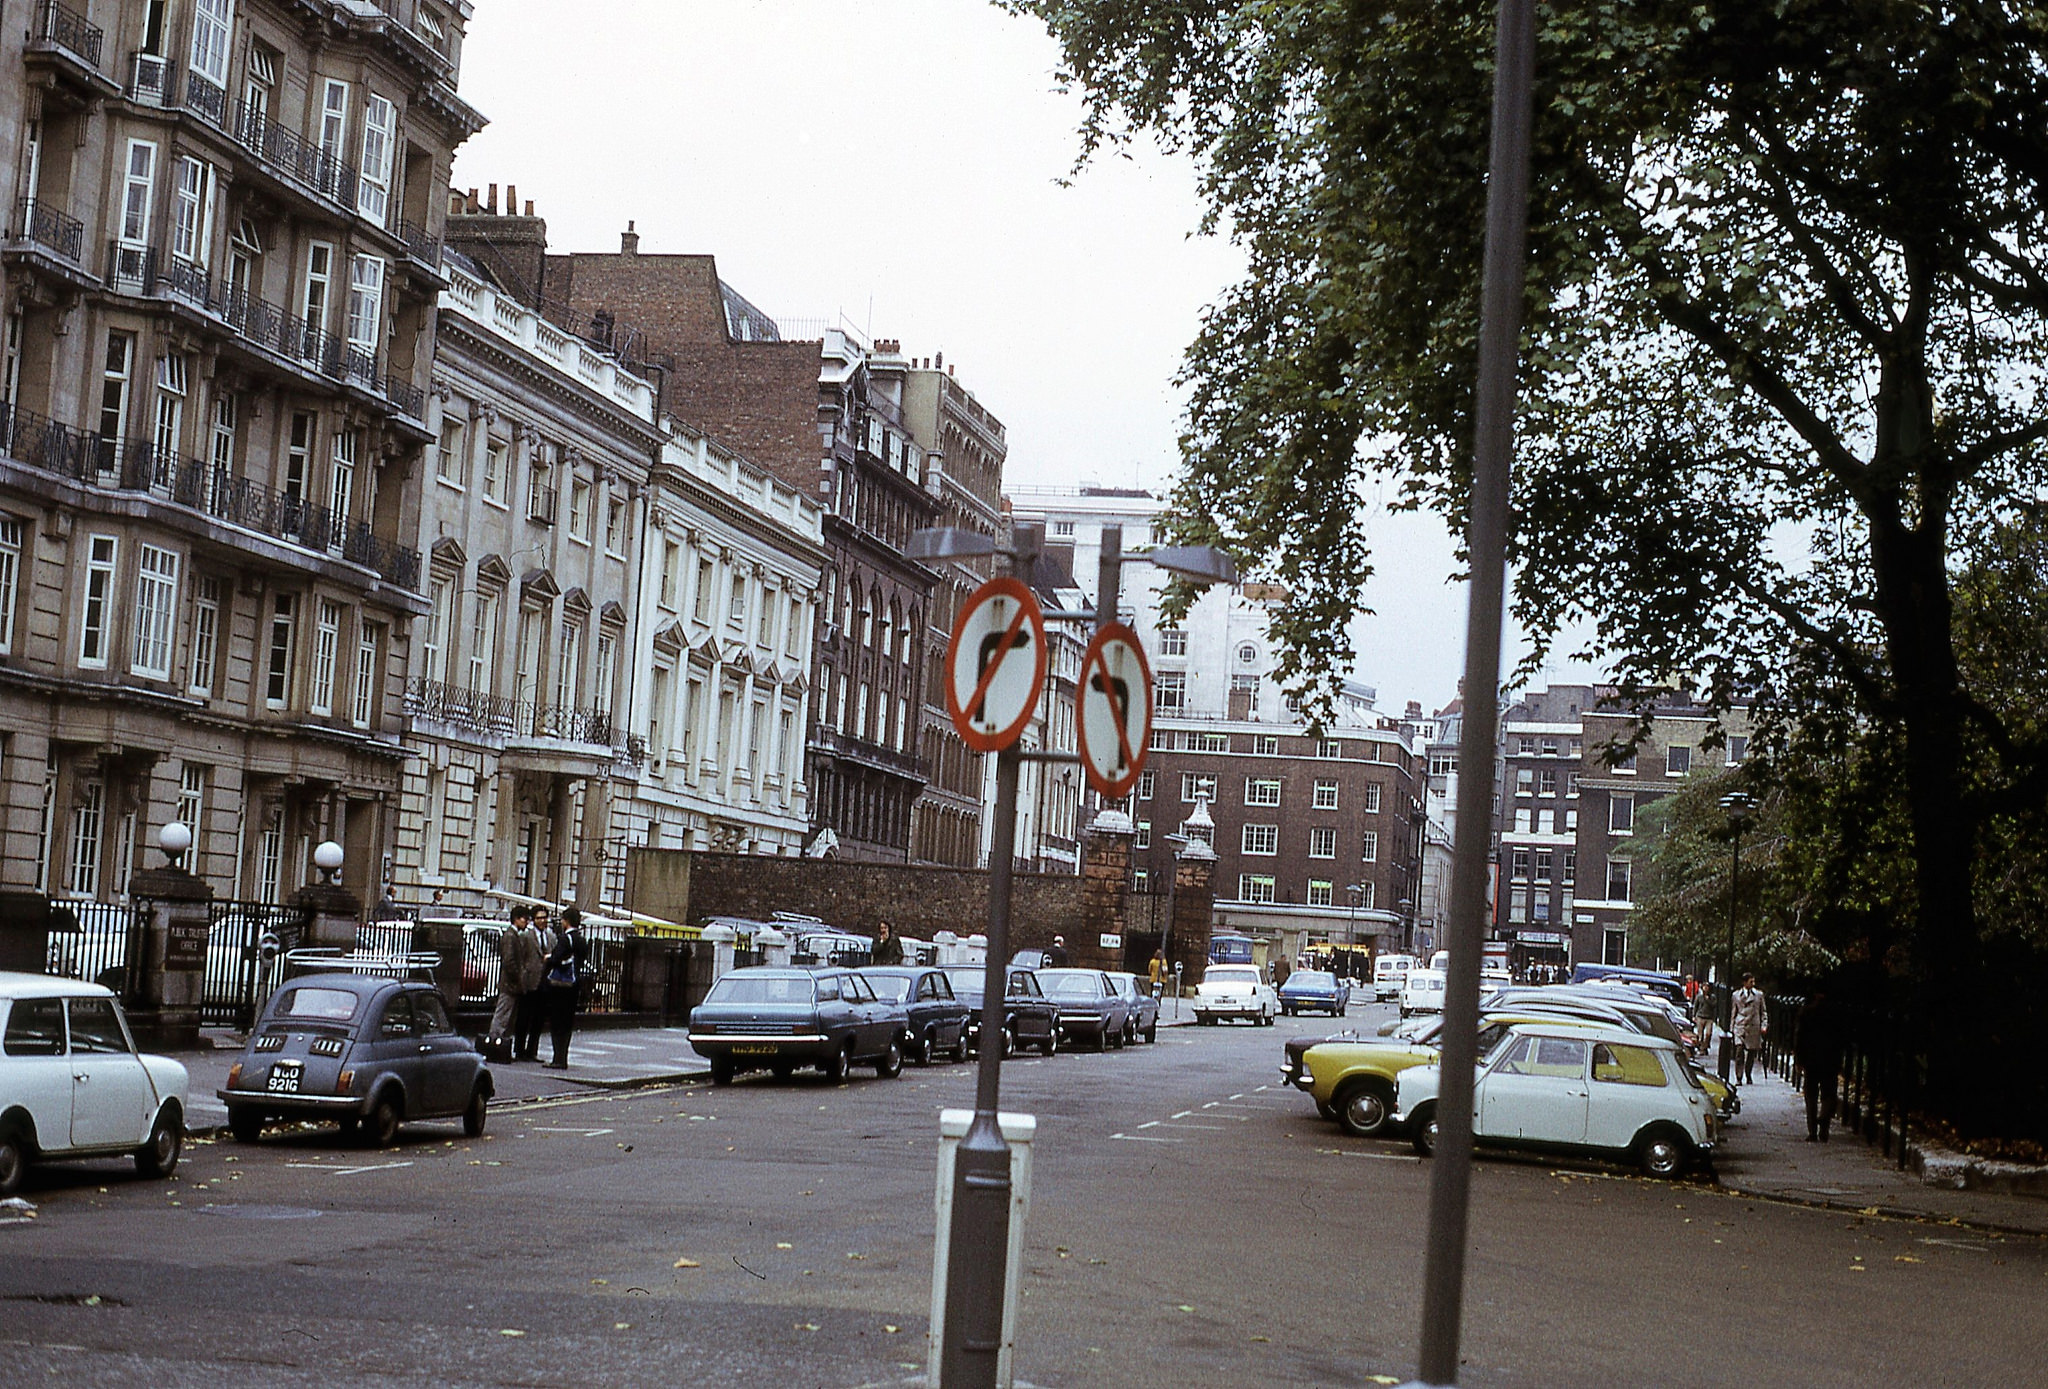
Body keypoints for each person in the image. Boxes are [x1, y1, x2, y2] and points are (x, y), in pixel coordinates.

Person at [1793, 986, 1845, 1142]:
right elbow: (1841, 1038)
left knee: (1811, 1095)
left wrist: (1799, 1060)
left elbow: (1799, 1037)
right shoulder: (1836, 1013)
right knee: (1829, 1094)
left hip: (1811, 1059)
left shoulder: (1806, 1012)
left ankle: (1812, 1131)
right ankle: (1824, 1124)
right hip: (1830, 1059)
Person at [541, 906, 586, 1070]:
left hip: (560, 986)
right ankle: (563, 1057)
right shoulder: (581, 940)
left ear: (566, 921)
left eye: (562, 920)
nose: (561, 922)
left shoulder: (565, 939)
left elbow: (556, 959)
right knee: (567, 1022)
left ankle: (557, 1058)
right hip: (574, 985)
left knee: (557, 1021)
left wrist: (548, 958)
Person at [485, 906, 532, 1060]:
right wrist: (518, 977)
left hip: (512, 984)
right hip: (509, 984)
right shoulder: (510, 936)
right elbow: (509, 961)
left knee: (507, 1016)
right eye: (524, 918)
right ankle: (494, 1045)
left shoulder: (514, 935)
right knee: (502, 1016)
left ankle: (501, 1047)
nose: (526, 922)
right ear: (517, 919)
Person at [513, 908, 549, 1062]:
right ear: (534, 920)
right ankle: (520, 1050)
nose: (542, 921)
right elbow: (520, 958)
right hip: (529, 982)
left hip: (544, 982)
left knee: (538, 1019)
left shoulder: (550, 936)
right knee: (524, 1017)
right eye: (539, 918)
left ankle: (532, 1050)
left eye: (544, 918)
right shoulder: (526, 936)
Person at [1731, 973, 1767, 1085]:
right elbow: (1734, 1012)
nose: (1753, 984)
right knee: (1739, 1052)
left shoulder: (1759, 995)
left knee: (1751, 1054)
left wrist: (1764, 1025)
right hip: (1740, 1026)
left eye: (1753, 981)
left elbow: (1763, 1012)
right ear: (1744, 982)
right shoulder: (1736, 995)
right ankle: (1738, 1077)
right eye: (1751, 981)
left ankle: (1748, 1073)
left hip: (1753, 1027)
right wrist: (1731, 1027)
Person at [1691, 983, 1716, 1060]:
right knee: (1700, 1034)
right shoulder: (1699, 997)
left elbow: (1713, 1005)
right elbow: (1696, 1006)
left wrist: (1707, 999)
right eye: (1704, 987)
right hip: (1700, 1017)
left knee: (1708, 1033)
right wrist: (1694, 1015)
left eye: (1707, 987)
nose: (1705, 988)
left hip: (1709, 1018)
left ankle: (1705, 1046)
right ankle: (1701, 1048)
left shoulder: (1712, 997)